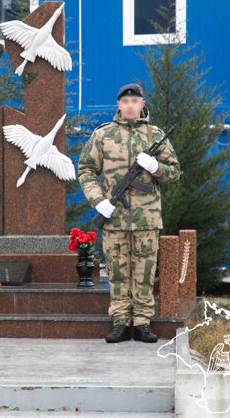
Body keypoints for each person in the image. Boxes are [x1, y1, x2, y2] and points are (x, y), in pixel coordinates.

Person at [77, 83, 181, 343]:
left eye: (136, 101)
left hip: (147, 219)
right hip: (114, 218)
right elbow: (86, 169)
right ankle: (121, 322)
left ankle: (143, 323)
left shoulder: (154, 136)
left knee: (145, 271)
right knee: (117, 272)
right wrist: (98, 200)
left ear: (142, 104)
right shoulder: (103, 135)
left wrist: (156, 166)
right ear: (119, 106)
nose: (131, 105)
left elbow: (175, 172)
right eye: (126, 101)